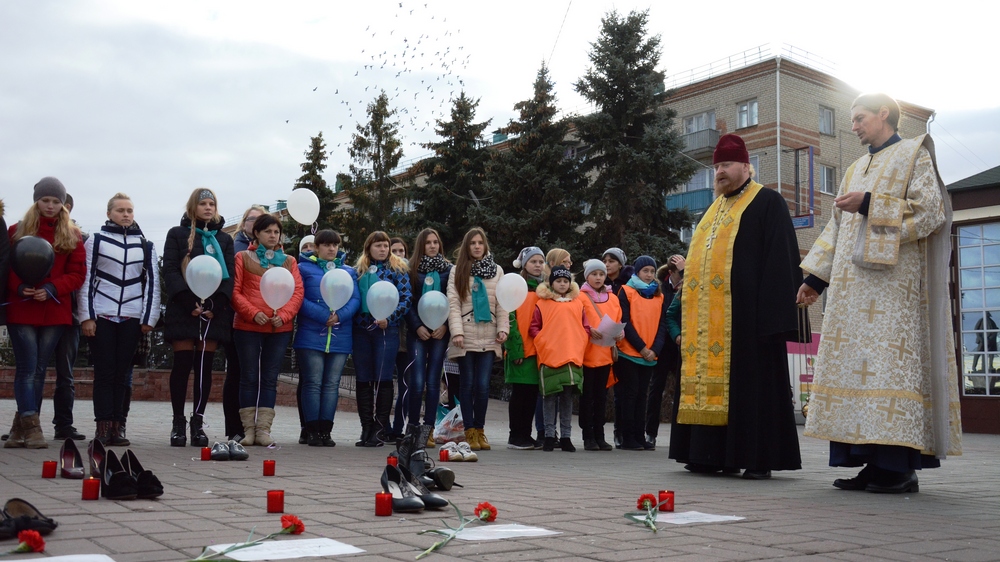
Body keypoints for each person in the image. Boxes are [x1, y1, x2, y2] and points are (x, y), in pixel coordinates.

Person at [797, 93, 962, 493]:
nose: (852, 126)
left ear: (883, 114)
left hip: (894, 291)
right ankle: (870, 465)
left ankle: (899, 469)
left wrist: (870, 203)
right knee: (855, 370)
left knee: (888, 370)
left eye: (859, 118)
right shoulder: (854, 168)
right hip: (852, 294)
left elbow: (931, 213)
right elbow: (837, 227)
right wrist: (815, 279)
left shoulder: (913, 154)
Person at [668, 133, 802, 479]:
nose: (719, 173)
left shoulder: (768, 201)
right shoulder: (714, 209)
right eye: (716, 167)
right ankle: (709, 454)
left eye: (726, 165)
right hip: (708, 323)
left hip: (749, 319)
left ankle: (758, 459)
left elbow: (781, 259)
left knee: (752, 389)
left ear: (746, 165)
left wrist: (773, 318)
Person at [4, 177, 86, 449]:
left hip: (54, 309)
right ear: (36, 201)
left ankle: (20, 430)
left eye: (56, 201)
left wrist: (52, 287)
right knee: (27, 367)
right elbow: (7, 268)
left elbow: (77, 274)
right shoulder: (16, 231)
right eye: (45, 200)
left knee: (40, 369)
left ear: (63, 205)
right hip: (23, 308)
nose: (50, 206)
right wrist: (20, 287)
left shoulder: (72, 235)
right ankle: (32, 424)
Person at [77, 193, 160, 446]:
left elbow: (153, 285)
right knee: (104, 373)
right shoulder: (96, 241)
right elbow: (85, 281)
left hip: (132, 318)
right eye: (120, 210)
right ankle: (102, 426)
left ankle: (119, 426)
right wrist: (87, 317)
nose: (126, 214)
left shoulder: (146, 245)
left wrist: (149, 319)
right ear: (109, 213)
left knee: (123, 374)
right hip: (102, 315)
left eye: (130, 210)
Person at [162, 188, 235, 447]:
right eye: (202, 203)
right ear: (193, 206)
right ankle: (178, 422)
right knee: (182, 366)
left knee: (204, 367)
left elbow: (229, 277)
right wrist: (186, 301)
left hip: (212, 311)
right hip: (184, 308)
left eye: (211, 204)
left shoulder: (224, 239)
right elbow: (169, 268)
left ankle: (198, 422)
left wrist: (217, 303)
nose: (207, 208)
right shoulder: (177, 234)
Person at [232, 213, 304, 446]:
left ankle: (263, 429)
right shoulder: (242, 257)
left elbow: (297, 293)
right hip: (247, 326)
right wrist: (253, 313)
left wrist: (283, 316)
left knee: (270, 378)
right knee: (249, 377)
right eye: (268, 232)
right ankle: (248, 430)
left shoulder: (290, 261)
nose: (273, 236)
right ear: (257, 234)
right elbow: (235, 291)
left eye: (276, 232)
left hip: (278, 329)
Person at [294, 229, 359, 446]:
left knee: (332, 384)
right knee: (312, 382)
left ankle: (325, 431)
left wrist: (340, 315)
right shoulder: (303, 269)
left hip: (340, 337)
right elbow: (299, 298)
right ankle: (311, 430)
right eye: (327, 245)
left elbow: (355, 299)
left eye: (335, 245)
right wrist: (323, 315)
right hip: (311, 335)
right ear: (316, 247)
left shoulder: (349, 272)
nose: (332, 249)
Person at [447, 227, 508, 451]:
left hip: (490, 335)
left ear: (485, 246)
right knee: (468, 384)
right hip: (466, 334)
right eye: (472, 243)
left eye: (480, 243)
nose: (476, 246)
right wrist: (457, 332)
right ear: (467, 246)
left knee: (483, 386)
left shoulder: (497, 271)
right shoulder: (458, 270)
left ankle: (480, 430)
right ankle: (469, 430)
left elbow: (502, 303)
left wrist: (503, 329)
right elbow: (453, 303)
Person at [352, 231, 411, 447]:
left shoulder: (398, 269)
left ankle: (379, 428)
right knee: (363, 378)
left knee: (383, 378)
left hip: (387, 330)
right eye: (378, 245)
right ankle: (366, 427)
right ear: (369, 248)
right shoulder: (359, 271)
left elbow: (406, 298)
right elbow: (353, 297)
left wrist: (391, 316)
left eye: (385, 245)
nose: (383, 249)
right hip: (361, 330)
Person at [530, 265, 592, 452]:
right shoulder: (542, 304)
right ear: (552, 283)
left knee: (567, 398)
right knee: (549, 396)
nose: (562, 284)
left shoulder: (578, 303)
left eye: (566, 281)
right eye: (558, 281)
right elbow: (534, 327)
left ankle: (566, 436)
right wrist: (544, 340)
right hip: (550, 355)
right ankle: (549, 435)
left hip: (571, 354)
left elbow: (585, 326)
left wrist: (581, 339)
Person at [614, 255, 669, 451]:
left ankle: (639, 434)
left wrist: (654, 349)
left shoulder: (659, 295)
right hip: (629, 352)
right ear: (637, 272)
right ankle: (627, 436)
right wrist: (642, 348)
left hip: (649, 355)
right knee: (630, 394)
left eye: (652, 271)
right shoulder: (626, 291)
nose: (649, 275)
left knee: (642, 396)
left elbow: (662, 325)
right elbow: (625, 322)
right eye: (645, 271)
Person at [404, 228, 452, 448]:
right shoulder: (411, 270)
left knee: (433, 382)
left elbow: (453, 301)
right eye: (428, 243)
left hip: (440, 333)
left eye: (436, 242)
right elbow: (408, 301)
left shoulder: (449, 271)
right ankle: (412, 428)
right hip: (418, 333)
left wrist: (444, 325)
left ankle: (429, 429)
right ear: (421, 246)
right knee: (416, 382)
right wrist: (417, 326)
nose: (433, 246)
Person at [224, 204, 266, 441]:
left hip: (265, 321)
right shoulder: (234, 247)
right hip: (237, 319)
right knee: (237, 373)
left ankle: (254, 428)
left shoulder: (273, 250)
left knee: (257, 375)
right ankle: (234, 429)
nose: (256, 223)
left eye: (262, 220)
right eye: (252, 219)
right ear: (244, 223)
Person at [579, 258, 623, 451]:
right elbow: (575, 321)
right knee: (587, 397)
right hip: (587, 354)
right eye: (594, 274)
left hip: (605, 353)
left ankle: (600, 434)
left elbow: (618, 320)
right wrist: (588, 330)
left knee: (601, 397)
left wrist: (620, 333)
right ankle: (587, 436)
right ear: (587, 275)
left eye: (601, 274)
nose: (598, 278)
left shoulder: (613, 298)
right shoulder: (580, 297)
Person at [504, 246, 544, 450]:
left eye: (540, 262)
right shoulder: (516, 287)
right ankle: (515, 435)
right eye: (533, 262)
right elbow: (509, 319)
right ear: (524, 264)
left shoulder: (545, 290)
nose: (537, 265)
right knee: (520, 394)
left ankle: (526, 434)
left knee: (532, 395)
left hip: (539, 352)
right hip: (521, 351)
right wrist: (515, 349)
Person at [645, 256, 684, 448]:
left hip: (682, 346)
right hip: (663, 344)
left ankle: (683, 434)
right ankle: (650, 433)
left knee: (683, 389)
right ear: (671, 273)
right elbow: (664, 315)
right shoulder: (661, 288)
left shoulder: (687, 285)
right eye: (681, 272)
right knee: (656, 388)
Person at [388, 236, 410, 442]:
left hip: (407, 340)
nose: (398, 255)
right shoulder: (383, 274)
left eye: (401, 251)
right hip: (386, 334)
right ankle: (384, 426)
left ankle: (398, 428)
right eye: (394, 251)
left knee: (405, 385)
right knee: (384, 382)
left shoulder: (409, 275)